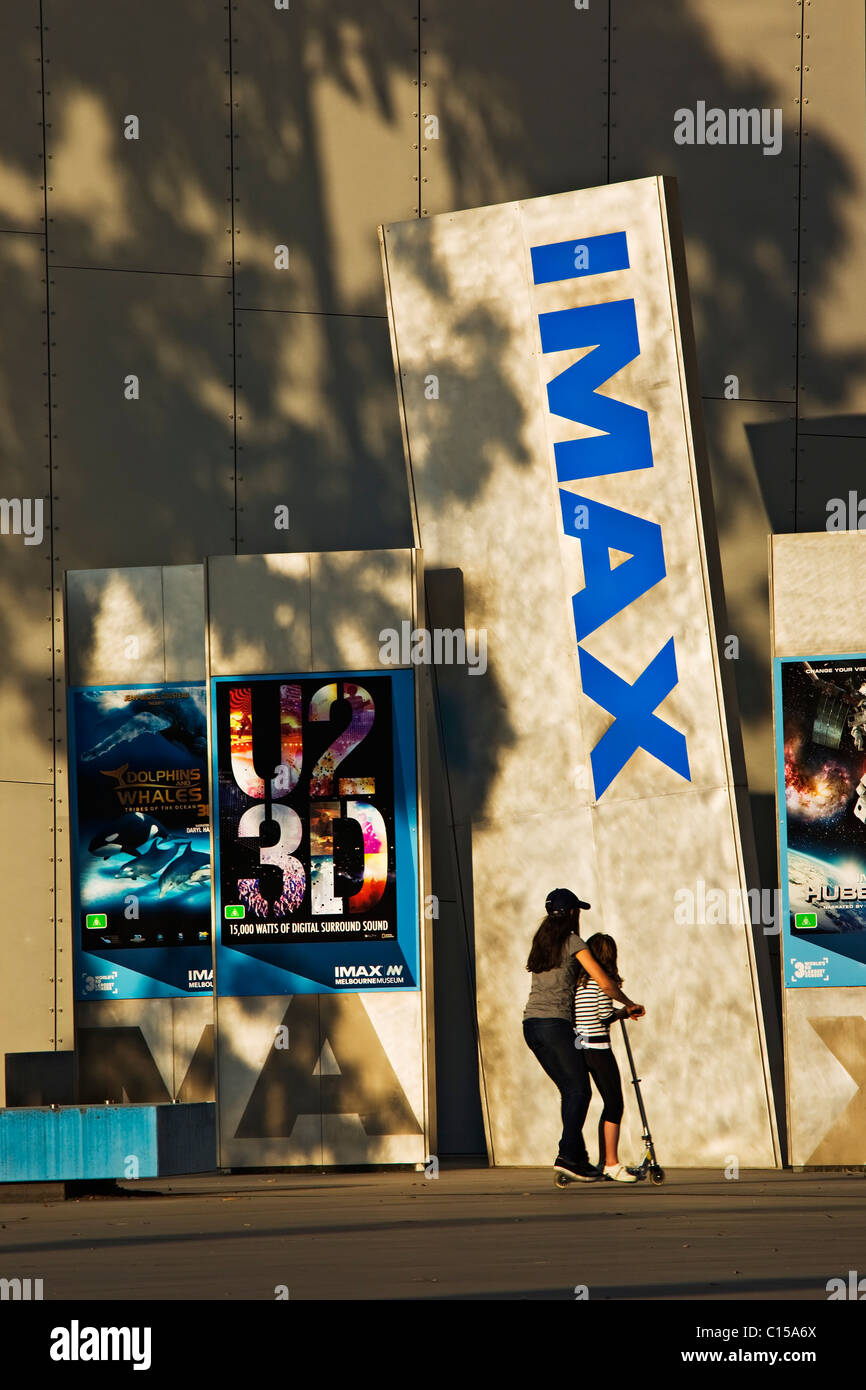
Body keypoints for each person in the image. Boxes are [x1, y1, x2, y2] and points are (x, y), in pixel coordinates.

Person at [523, 888, 645, 1183]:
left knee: (571, 1090)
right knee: (580, 1091)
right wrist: (628, 1004)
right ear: (574, 913)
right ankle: (567, 1155)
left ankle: (578, 1159)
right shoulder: (573, 941)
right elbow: (604, 983)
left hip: (531, 1025)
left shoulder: (542, 942)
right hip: (555, 1025)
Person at [573, 932, 636, 1182]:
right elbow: (602, 1016)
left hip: (579, 1047)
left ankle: (599, 1160)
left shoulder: (579, 982)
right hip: (599, 1049)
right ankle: (611, 1162)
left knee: (588, 1101)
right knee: (614, 1103)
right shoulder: (603, 982)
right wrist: (622, 1012)